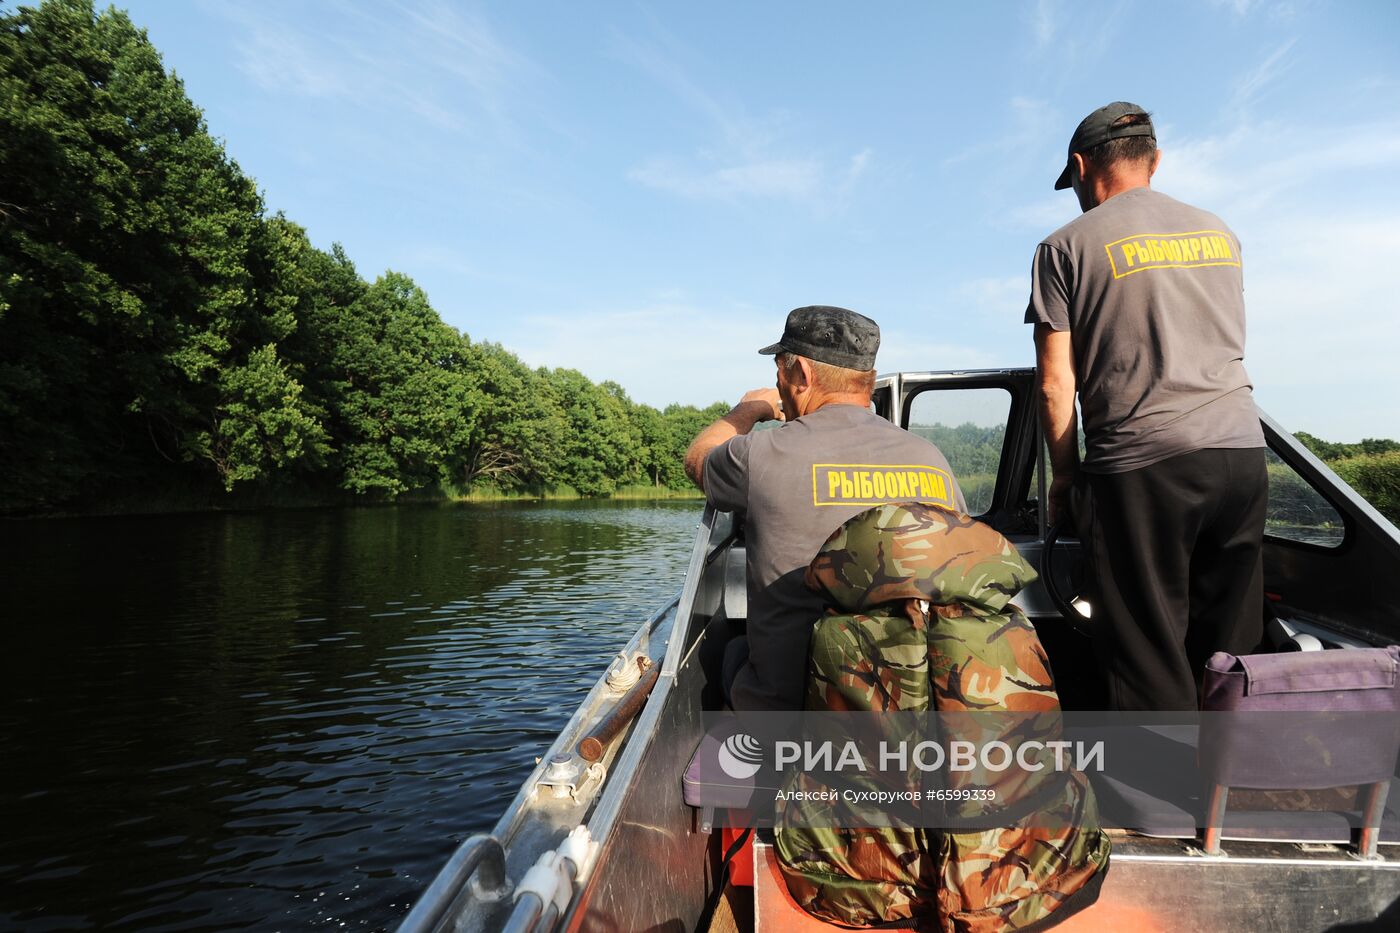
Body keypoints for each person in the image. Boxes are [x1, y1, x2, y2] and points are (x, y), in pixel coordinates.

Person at [1026, 101, 1268, 711]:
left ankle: (1157, 804)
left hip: (1143, 465)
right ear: (1154, 160)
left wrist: (1066, 483)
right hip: (1241, 452)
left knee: (1143, 644)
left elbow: (1056, 385)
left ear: (1081, 167)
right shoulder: (1219, 231)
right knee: (1233, 641)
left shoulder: (1065, 247)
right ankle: (1233, 785)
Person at [684, 305, 965, 710]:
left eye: (779, 370)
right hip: (909, 704)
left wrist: (750, 408)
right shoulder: (931, 459)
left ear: (801, 373)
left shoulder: (760, 454)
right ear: (866, 380)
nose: (778, 383)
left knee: (730, 653)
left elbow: (698, 459)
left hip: (792, 715)